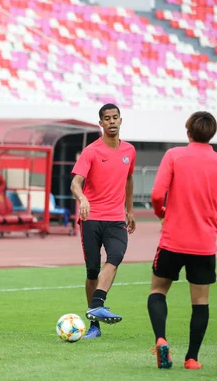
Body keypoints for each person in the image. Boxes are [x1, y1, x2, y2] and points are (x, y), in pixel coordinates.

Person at [147, 111, 217, 370]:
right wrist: (210, 230)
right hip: (203, 244)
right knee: (200, 303)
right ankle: (192, 358)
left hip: (172, 239)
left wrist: (161, 214)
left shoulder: (173, 155)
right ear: (212, 134)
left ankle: (161, 339)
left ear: (188, 132)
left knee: (158, 291)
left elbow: (155, 195)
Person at [70, 103, 137, 339]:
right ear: (100, 123)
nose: (111, 121)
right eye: (106, 118)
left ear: (120, 120)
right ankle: (94, 326)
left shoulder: (130, 151)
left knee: (116, 257)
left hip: (116, 219)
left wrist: (129, 210)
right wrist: (83, 198)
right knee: (92, 271)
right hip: (91, 218)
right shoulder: (91, 151)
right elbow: (75, 183)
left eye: (115, 118)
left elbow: (129, 181)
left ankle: (98, 303)